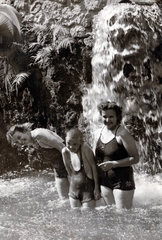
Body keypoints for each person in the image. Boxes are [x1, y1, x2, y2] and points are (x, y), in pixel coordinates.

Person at [6, 123, 69, 200]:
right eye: (17, 142)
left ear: (24, 130)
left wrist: (71, 170)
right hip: (59, 171)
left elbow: (63, 148)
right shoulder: (33, 142)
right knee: (64, 201)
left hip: (70, 167)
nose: (20, 141)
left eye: (19, 137)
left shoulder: (39, 134)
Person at [94, 101, 139, 209]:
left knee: (123, 217)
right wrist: (95, 184)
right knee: (111, 216)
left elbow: (135, 158)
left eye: (111, 117)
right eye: (104, 116)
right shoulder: (97, 133)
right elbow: (95, 159)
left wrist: (114, 164)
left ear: (117, 116)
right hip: (104, 182)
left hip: (122, 180)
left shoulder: (122, 134)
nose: (107, 120)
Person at [62, 128, 100, 209]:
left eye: (75, 144)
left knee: (89, 218)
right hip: (73, 191)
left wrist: (96, 188)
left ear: (80, 142)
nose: (71, 147)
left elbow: (94, 167)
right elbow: (69, 172)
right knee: (76, 219)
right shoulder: (65, 152)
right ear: (65, 140)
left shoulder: (85, 148)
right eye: (68, 143)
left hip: (87, 190)